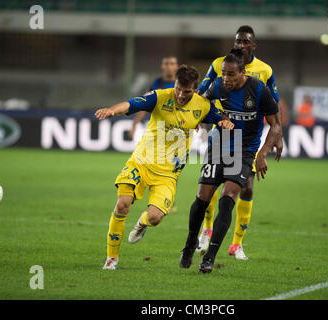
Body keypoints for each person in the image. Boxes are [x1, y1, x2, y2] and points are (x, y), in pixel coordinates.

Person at [95, 65, 234, 270]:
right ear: (175, 84)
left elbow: (221, 117)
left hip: (167, 174)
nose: (180, 94)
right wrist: (111, 111)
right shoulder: (161, 97)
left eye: (186, 92)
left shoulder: (202, 106)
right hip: (141, 163)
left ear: (195, 90)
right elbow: (132, 104)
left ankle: (142, 223)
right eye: (178, 88)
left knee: (155, 217)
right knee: (122, 204)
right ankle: (111, 258)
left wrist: (225, 122)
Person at [179, 49, 283, 273]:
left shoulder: (258, 90)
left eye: (231, 75)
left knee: (228, 198)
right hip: (218, 146)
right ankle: (189, 244)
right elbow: (200, 102)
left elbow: (275, 125)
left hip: (245, 150)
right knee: (202, 199)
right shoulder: (217, 85)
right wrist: (198, 119)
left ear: (243, 73)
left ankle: (210, 257)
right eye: (224, 74)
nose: (226, 79)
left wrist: (263, 153)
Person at [128, 56, 179, 140]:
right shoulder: (156, 83)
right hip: (159, 127)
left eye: (172, 64)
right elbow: (145, 104)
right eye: (166, 64)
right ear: (162, 66)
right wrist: (135, 124)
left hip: (177, 128)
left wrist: (202, 127)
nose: (169, 67)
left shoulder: (181, 84)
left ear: (177, 66)